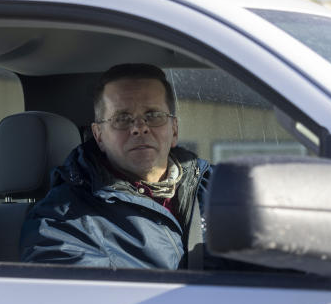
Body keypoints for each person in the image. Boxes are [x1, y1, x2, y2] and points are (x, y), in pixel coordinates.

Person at [19, 63, 211, 269]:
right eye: (122, 119)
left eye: (153, 115)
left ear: (174, 130)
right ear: (98, 135)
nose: (140, 128)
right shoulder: (63, 220)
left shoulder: (221, 188)